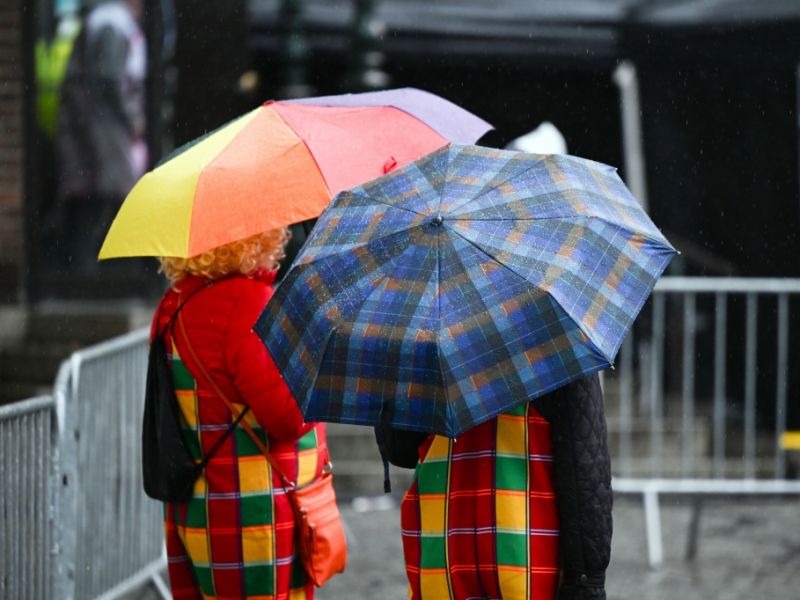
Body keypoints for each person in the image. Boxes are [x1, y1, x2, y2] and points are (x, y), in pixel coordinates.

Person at [152, 228, 329, 599]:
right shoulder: (248, 302)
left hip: (197, 509)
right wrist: (320, 370)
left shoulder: (173, 303)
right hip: (254, 515)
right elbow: (288, 418)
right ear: (257, 236)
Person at [382, 374, 612, 600]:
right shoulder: (558, 354)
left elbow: (400, 450)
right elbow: (585, 471)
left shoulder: (426, 355)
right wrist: (586, 581)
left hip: (444, 553)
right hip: (528, 558)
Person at [55, 0, 147, 272]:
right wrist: (132, 119)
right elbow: (110, 79)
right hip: (102, 132)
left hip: (94, 130)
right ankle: (102, 270)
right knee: (104, 198)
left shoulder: (104, 23)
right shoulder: (112, 25)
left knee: (95, 199)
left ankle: (92, 268)